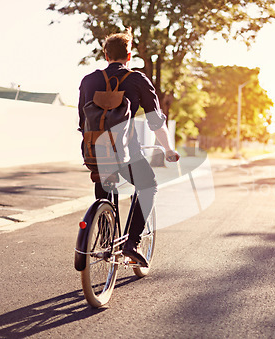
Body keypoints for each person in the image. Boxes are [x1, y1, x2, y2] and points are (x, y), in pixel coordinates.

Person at [78, 28, 180, 266]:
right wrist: (168, 150)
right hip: (126, 152)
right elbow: (156, 121)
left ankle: (104, 242)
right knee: (148, 185)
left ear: (106, 54)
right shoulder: (137, 80)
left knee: (103, 181)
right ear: (129, 55)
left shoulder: (89, 80)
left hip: (93, 153)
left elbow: (82, 122)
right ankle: (131, 243)